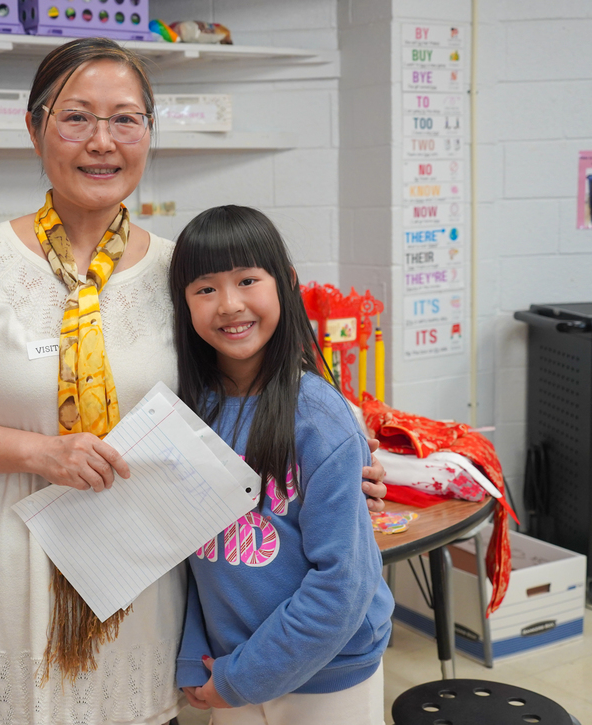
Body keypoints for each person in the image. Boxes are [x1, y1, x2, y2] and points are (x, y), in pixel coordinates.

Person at [0, 37, 387, 725]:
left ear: (149, 135)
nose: (103, 141)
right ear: (36, 128)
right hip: (13, 558)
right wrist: (41, 453)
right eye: (77, 118)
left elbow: (245, 393)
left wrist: (342, 461)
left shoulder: (179, 270)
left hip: (141, 566)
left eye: (125, 118)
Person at [171, 206, 394, 725]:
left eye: (247, 280)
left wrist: (239, 679)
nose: (228, 304)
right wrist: (200, 660)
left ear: (285, 283)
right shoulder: (189, 413)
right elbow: (192, 557)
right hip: (228, 667)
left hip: (327, 674)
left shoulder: (318, 417)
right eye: (205, 289)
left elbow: (343, 584)